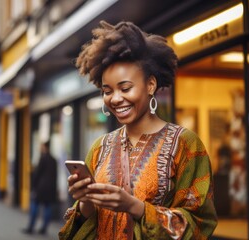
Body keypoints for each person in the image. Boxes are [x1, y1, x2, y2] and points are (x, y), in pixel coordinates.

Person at [59, 21, 217, 240]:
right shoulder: (100, 147)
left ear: (150, 85)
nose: (115, 98)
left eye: (125, 88)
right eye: (107, 91)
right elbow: (84, 224)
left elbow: (200, 223)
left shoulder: (185, 144)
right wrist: (85, 200)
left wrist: (136, 207)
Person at [22, 140, 58, 235]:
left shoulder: (42, 158)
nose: (40, 148)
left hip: (41, 187)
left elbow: (37, 173)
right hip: (50, 188)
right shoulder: (54, 160)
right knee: (47, 207)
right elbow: (55, 176)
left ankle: (31, 227)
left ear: (45, 147)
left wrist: (33, 186)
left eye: (41, 146)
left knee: (34, 205)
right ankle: (44, 228)